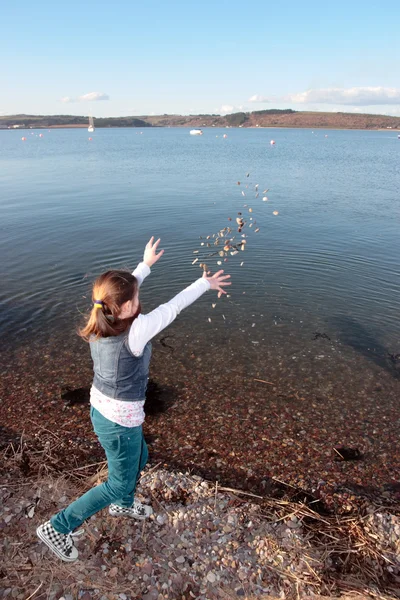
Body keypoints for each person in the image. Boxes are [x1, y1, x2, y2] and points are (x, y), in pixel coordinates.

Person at [36, 236, 231, 562]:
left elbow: (120, 290)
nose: (140, 298)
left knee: (139, 457)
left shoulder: (102, 315)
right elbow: (173, 307)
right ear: (126, 306)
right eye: (136, 295)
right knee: (117, 481)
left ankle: (122, 504)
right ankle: (59, 526)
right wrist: (204, 282)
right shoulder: (136, 330)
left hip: (103, 410)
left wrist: (145, 266)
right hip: (119, 421)